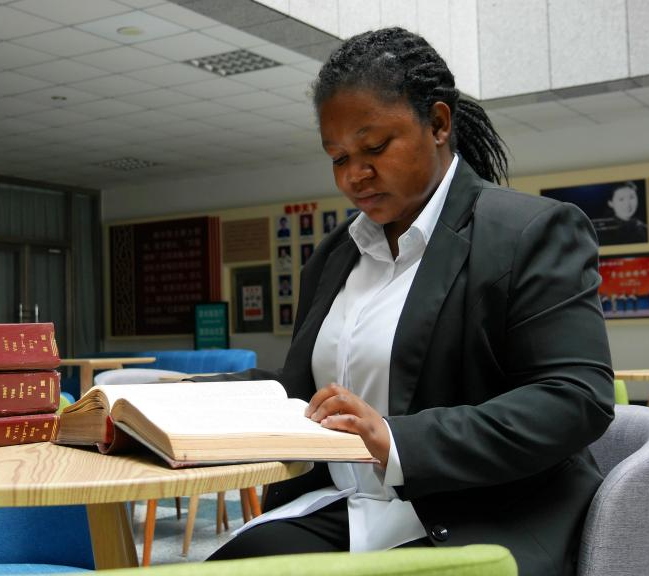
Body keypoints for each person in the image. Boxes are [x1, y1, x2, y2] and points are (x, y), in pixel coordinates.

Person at [203, 27, 614, 576]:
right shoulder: (335, 254)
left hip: (481, 514)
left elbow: (575, 398)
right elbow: (307, 388)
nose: (354, 176)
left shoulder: (530, 232)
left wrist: (396, 439)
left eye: (375, 148)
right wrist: (174, 402)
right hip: (349, 509)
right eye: (338, 157)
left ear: (439, 124)